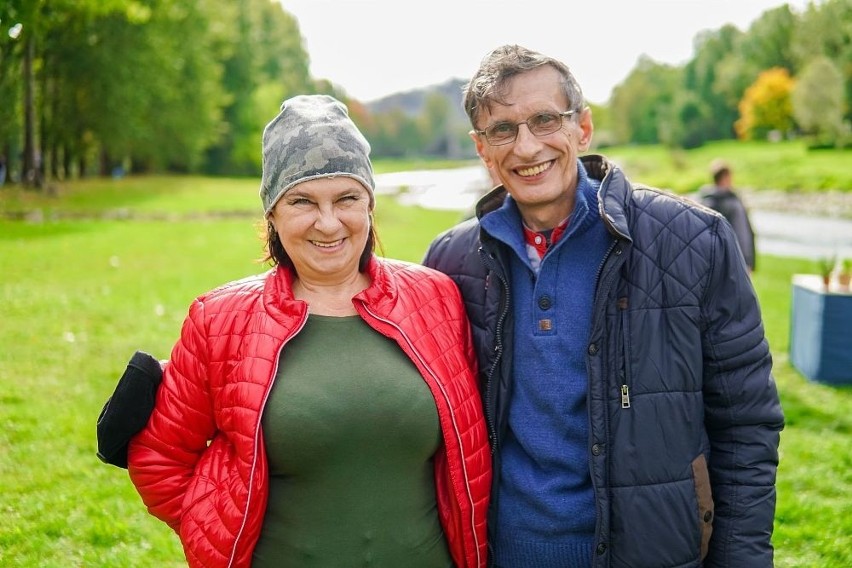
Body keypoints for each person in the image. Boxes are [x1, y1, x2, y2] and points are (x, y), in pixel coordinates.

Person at [422, 44, 784, 568]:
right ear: (482, 148)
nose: (526, 147)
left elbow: (746, 423)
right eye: (503, 129)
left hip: (652, 552)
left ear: (582, 128)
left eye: (545, 120)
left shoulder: (694, 241)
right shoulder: (453, 261)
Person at [123, 94, 490, 567]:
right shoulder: (220, 320)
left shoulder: (435, 299)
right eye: (302, 201)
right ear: (272, 213)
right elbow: (159, 456)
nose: (329, 222)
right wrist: (212, 528)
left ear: (370, 204)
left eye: (346, 198)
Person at [698, 159, 757, 271]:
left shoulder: (706, 202)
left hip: (726, 261)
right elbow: (741, 232)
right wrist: (746, 260)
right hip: (733, 261)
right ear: (724, 177)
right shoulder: (727, 203)